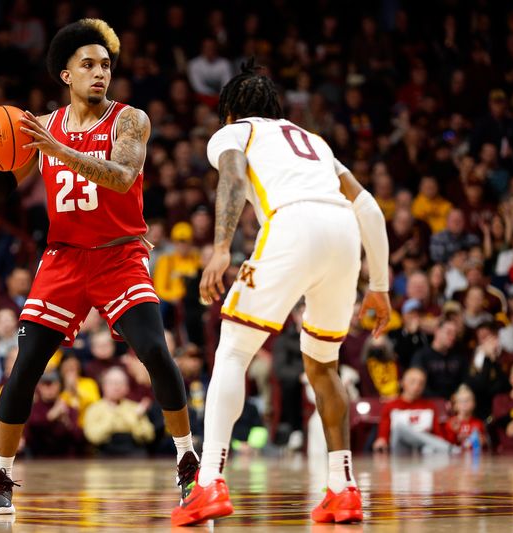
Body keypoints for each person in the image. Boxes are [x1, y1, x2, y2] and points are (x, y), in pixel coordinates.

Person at [0, 19, 196, 515]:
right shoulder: (41, 126)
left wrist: (58, 151)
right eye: (88, 65)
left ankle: (187, 462)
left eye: (106, 65)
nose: (100, 73)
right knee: (25, 369)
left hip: (120, 253)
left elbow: (121, 177)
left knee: (156, 353)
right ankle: (1, 477)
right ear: (66, 75)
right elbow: (1, 193)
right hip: (64, 258)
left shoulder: (129, 120)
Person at [172, 63, 391, 526]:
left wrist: (220, 249)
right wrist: (380, 287)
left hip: (293, 226)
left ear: (229, 113)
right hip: (344, 236)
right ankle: (343, 488)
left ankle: (208, 482)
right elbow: (368, 206)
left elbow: (231, 177)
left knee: (232, 351)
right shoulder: (314, 142)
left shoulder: (234, 133)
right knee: (323, 365)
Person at [372, 367, 456, 454]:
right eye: (413, 382)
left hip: (423, 450)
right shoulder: (391, 406)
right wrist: (381, 441)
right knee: (399, 428)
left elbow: (438, 435)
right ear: (403, 382)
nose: (417, 386)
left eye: (421, 383)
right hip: (401, 451)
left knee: (429, 449)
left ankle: (445, 448)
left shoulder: (429, 406)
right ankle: (450, 449)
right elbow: (382, 436)